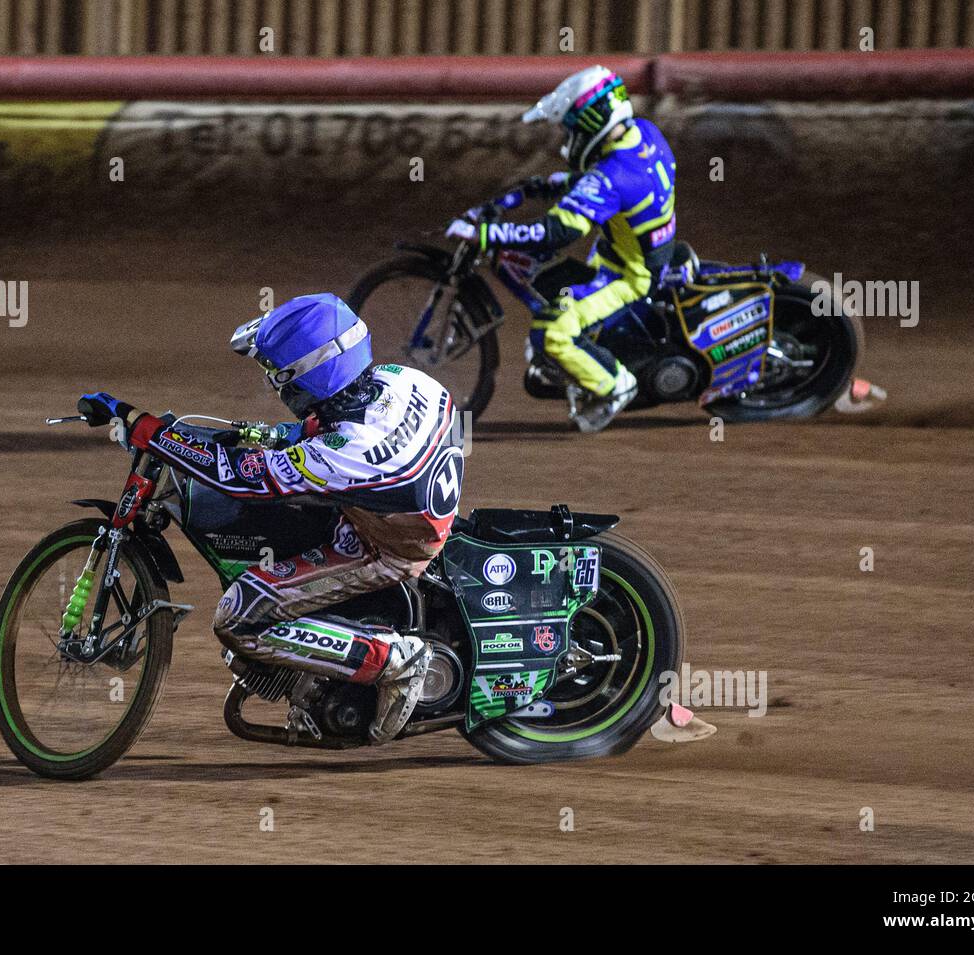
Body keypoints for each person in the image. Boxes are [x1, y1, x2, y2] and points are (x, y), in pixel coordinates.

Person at [79, 293, 463, 743]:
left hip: (383, 549)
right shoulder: (400, 379)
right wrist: (270, 433)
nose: (274, 387)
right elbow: (324, 431)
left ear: (307, 379)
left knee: (238, 617)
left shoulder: (346, 453)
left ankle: (393, 661)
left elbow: (238, 477)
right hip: (402, 509)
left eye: (277, 377)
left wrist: (145, 428)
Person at [446, 65, 678, 432]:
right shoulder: (645, 134)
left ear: (592, 123)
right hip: (627, 253)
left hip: (631, 278)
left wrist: (489, 235)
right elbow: (604, 183)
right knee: (551, 282)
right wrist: (545, 185)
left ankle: (616, 385)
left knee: (552, 331)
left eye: (572, 129)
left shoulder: (611, 177)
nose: (568, 139)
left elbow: (556, 231)